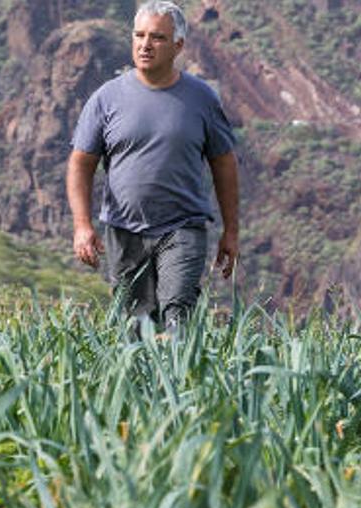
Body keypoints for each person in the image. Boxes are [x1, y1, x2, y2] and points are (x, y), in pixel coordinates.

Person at [67, 0, 240, 332]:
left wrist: (231, 232)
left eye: (157, 38)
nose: (145, 45)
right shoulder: (106, 98)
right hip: (124, 230)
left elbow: (224, 163)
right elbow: (80, 163)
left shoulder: (202, 99)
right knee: (133, 328)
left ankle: (181, 381)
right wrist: (81, 225)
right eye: (139, 35)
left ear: (178, 46)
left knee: (178, 317)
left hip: (183, 227)